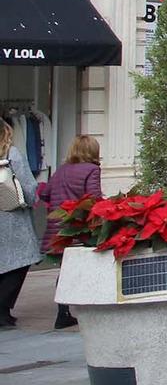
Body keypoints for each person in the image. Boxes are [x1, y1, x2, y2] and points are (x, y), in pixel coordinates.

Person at [35, 134, 98, 330]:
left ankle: (63, 312)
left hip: (57, 229)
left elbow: (44, 193)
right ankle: (88, 310)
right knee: (85, 269)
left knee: (64, 271)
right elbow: (93, 198)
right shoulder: (92, 170)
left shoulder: (61, 171)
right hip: (77, 228)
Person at [0, 122, 34, 331]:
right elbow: (27, 186)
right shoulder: (11, 154)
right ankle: (2, 310)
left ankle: (5, 312)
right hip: (11, 217)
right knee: (20, 263)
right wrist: (30, 199)